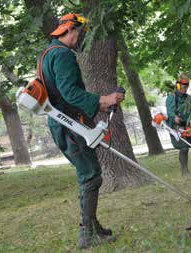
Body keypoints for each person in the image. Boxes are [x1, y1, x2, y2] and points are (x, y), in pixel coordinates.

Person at [41, 14, 124, 249]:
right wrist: (103, 100)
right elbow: (69, 93)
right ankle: (87, 234)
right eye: (79, 32)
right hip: (69, 126)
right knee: (90, 175)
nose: (80, 37)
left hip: (63, 123)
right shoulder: (62, 54)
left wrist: (99, 104)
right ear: (69, 29)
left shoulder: (48, 53)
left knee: (89, 172)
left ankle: (92, 226)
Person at [166, 73, 191, 176]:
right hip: (175, 127)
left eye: (186, 87)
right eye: (183, 87)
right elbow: (170, 111)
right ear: (178, 86)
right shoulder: (172, 98)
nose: (185, 89)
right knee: (183, 147)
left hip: (187, 125)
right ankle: (184, 171)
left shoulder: (188, 98)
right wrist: (175, 117)